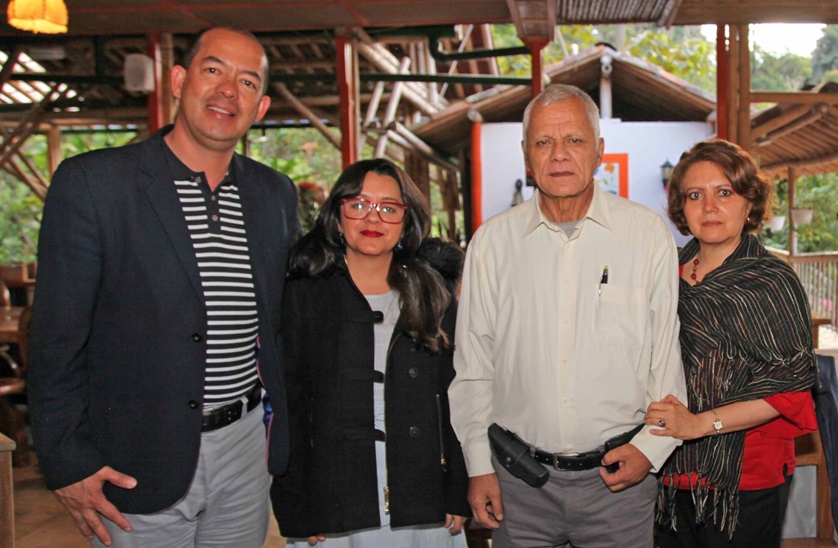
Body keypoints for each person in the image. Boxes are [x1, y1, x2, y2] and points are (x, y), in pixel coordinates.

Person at [28, 27, 297, 547]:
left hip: (245, 450)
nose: (227, 90)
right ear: (178, 80)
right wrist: (66, 460)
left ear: (260, 107)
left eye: (246, 82)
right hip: (134, 457)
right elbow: (56, 338)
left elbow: (283, 321)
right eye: (213, 70)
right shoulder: (95, 184)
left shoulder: (273, 194)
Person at [448, 83, 687, 547]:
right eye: (544, 142)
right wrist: (479, 465)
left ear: (598, 151)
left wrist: (651, 449)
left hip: (619, 478)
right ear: (525, 154)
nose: (559, 154)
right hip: (520, 482)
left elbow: (666, 357)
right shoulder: (493, 244)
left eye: (574, 140)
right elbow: (474, 366)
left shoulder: (645, 234)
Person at [270, 159, 470, 546]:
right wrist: (295, 505)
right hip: (334, 497)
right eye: (358, 204)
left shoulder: (432, 294)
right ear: (337, 215)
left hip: (422, 492)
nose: (372, 217)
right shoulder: (302, 296)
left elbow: (456, 399)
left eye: (389, 207)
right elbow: (289, 406)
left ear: (405, 221)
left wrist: (457, 488)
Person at [647, 140, 818, 547]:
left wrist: (702, 424)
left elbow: (790, 387)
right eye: (695, 195)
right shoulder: (662, 275)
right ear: (681, 209)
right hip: (667, 468)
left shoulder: (773, 281)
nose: (709, 206)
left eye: (724, 192)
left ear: (748, 203)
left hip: (745, 476)